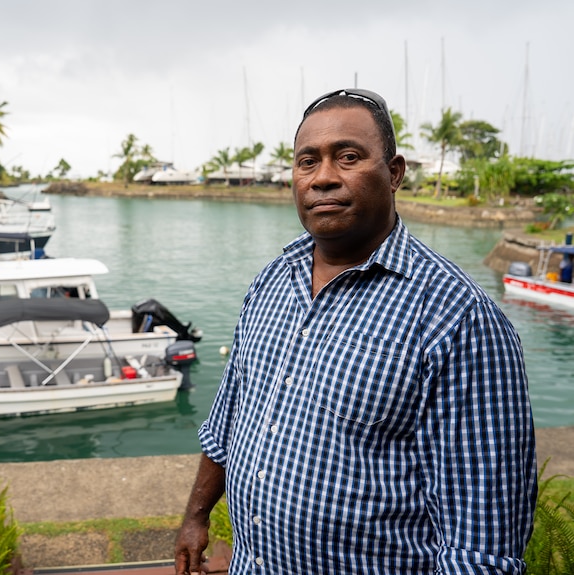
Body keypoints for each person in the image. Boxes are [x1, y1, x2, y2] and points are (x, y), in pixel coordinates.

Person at [174, 88, 537, 574]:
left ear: (394, 173)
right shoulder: (271, 280)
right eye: (307, 162)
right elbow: (228, 419)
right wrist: (196, 515)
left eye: (348, 157)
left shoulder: (457, 317)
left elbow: (481, 544)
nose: (323, 178)